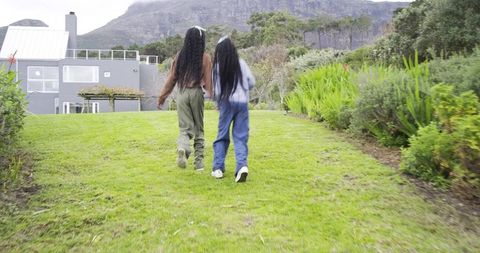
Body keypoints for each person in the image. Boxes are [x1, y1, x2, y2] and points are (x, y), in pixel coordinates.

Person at [157, 26, 213, 171]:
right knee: (199, 129)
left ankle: (183, 147)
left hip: (181, 94)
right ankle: (199, 164)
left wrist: (162, 97)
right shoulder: (205, 58)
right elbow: (208, 83)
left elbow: (171, 79)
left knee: (184, 128)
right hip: (196, 93)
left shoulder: (179, 56)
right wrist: (214, 95)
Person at [211, 36, 255, 183]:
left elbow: (216, 91)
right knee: (240, 136)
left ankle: (218, 168)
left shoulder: (217, 66)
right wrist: (243, 90)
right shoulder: (241, 63)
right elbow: (251, 82)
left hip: (226, 102)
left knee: (222, 135)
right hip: (242, 103)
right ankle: (242, 166)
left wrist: (218, 103)